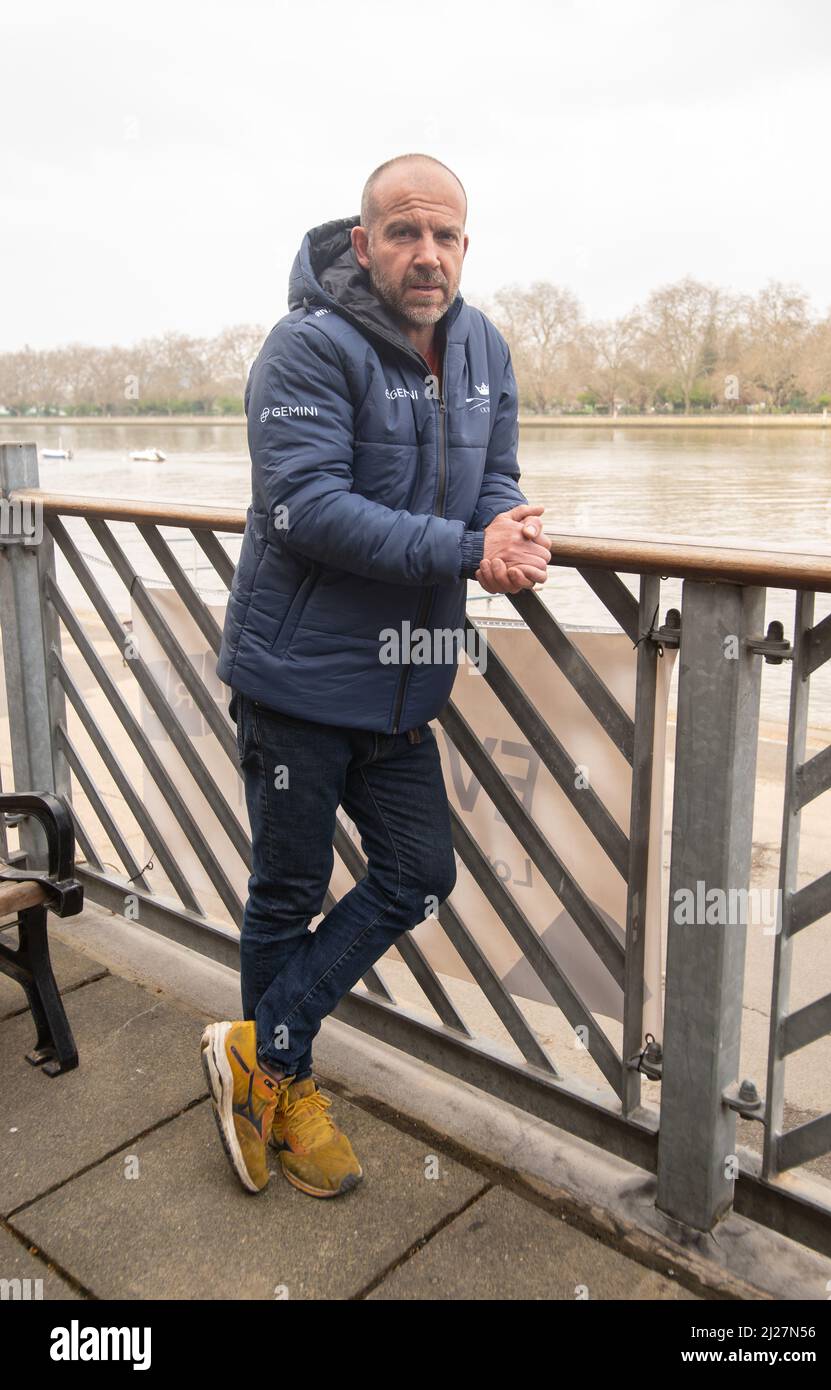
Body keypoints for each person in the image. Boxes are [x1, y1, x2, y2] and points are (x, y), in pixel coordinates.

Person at [201, 152, 551, 1198]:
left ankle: (256, 1050)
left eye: (444, 236)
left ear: (465, 247)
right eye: (403, 233)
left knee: (417, 872)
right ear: (362, 244)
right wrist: (462, 551)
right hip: (297, 682)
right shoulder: (305, 348)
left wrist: (510, 527)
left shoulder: (481, 344)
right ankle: (282, 1085)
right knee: (286, 895)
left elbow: (493, 472)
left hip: (407, 682)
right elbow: (304, 507)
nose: (426, 255)